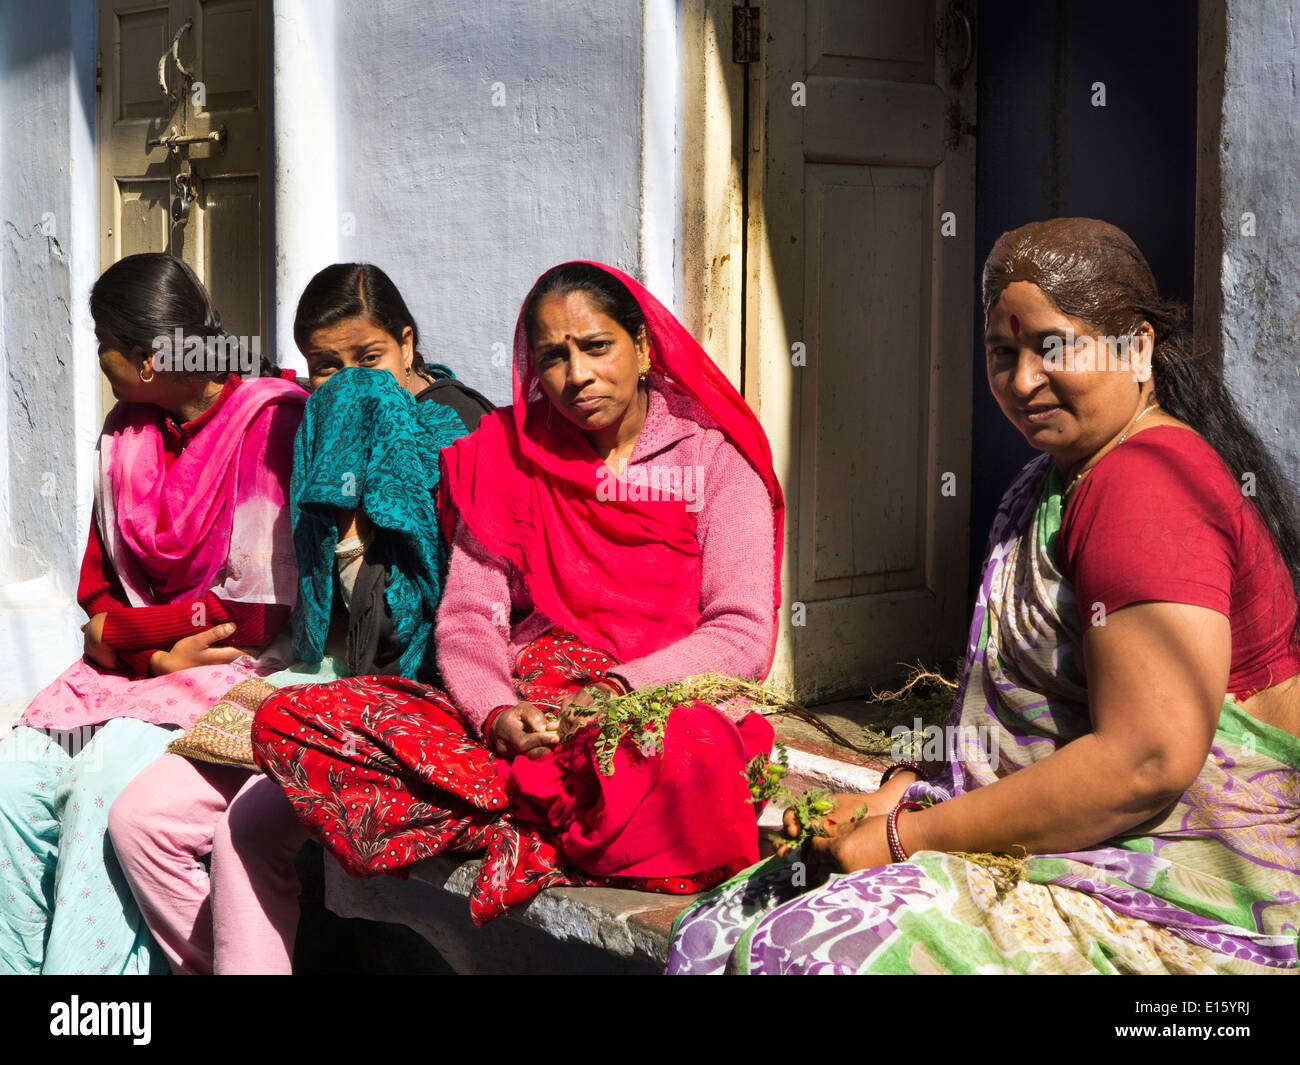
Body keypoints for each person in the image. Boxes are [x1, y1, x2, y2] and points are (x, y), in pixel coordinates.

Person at [668, 218, 1300, 975]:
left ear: (1136, 347)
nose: (1023, 380)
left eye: (1051, 347)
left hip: (1195, 892)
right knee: (723, 920)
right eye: (1003, 354)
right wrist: (914, 797)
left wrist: (911, 837)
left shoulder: (1146, 487)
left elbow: (1149, 759)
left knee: (802, 952)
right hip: (1097, 837)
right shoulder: (1062, 476)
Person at [251, 261, 785, 925]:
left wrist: (615, 694)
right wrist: (499, 712)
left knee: (693, 756)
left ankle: (526, 803)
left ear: (643, 347)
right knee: (294, 722)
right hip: (526, 717)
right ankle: (550, 803)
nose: (577, 375)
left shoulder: (712, 460)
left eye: (597, 347)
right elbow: (470, 619)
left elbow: (739, 632)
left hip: (649, 715)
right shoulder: (506, 453)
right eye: (554, 357)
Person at [109, 263, 486, 974]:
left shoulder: (455, 432)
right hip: (308, 671)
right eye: (325, 367)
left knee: (241, 836)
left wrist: (350, 527)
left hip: (402, 692)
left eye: (368, 359)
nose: (347, 382)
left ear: (407, 345)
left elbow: (416, 621)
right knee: (140, 822)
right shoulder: (317, 426)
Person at [0, 253, 305, 975]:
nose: (97, 355)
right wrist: (146, 649)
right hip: (133, 672)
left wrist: (127, 636)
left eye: (104, 338)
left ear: (143, 356)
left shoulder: (268, 426)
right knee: (12, 782)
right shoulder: (127, 432)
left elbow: (252, 612)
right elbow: (96, 591)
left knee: (101, 799)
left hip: (230, 670)